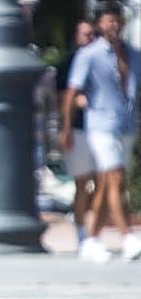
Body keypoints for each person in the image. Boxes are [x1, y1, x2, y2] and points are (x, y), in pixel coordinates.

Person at [61, 1, 141, 262]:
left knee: (109, 183)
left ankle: (92, 238)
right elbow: (71, 92)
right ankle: (128, 236)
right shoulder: (90, 55)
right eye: (108, 20)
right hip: (100, 125)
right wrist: (66, 128)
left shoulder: (133, 54)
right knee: (114, 178)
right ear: (100, 24)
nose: (114, 25)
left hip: (126, 124)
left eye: (117, 20)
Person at [54, 19, 100, 246]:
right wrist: (66, 129)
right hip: (79, 129)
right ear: (76, 36)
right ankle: (83, 233)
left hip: (102, 128)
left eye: (92, 34)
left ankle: (92, 230)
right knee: (82, 182)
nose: (89, 39)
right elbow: (60, 98)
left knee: (107, 183)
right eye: (85, 34)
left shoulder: (104, 60)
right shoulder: (69, 63)